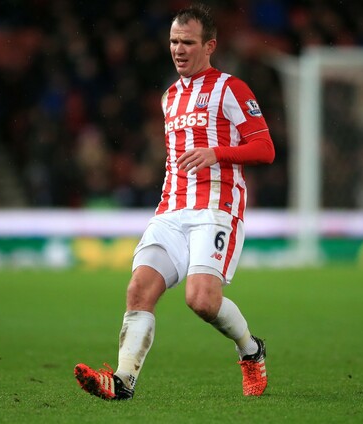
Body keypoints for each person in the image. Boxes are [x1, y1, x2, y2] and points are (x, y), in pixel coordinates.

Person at [74, 3, 275, 400]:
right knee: (139, 289)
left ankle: (251, 350)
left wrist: (217, 153)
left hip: (216, 209)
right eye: (173, 41)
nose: (178, 50)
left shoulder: (231, 89)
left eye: (188, 42)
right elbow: (175, 158)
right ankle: (122, 380)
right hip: (171, 210)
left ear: (209, 46)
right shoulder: (169, 97)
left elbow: (265, 148)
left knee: (201, 301)